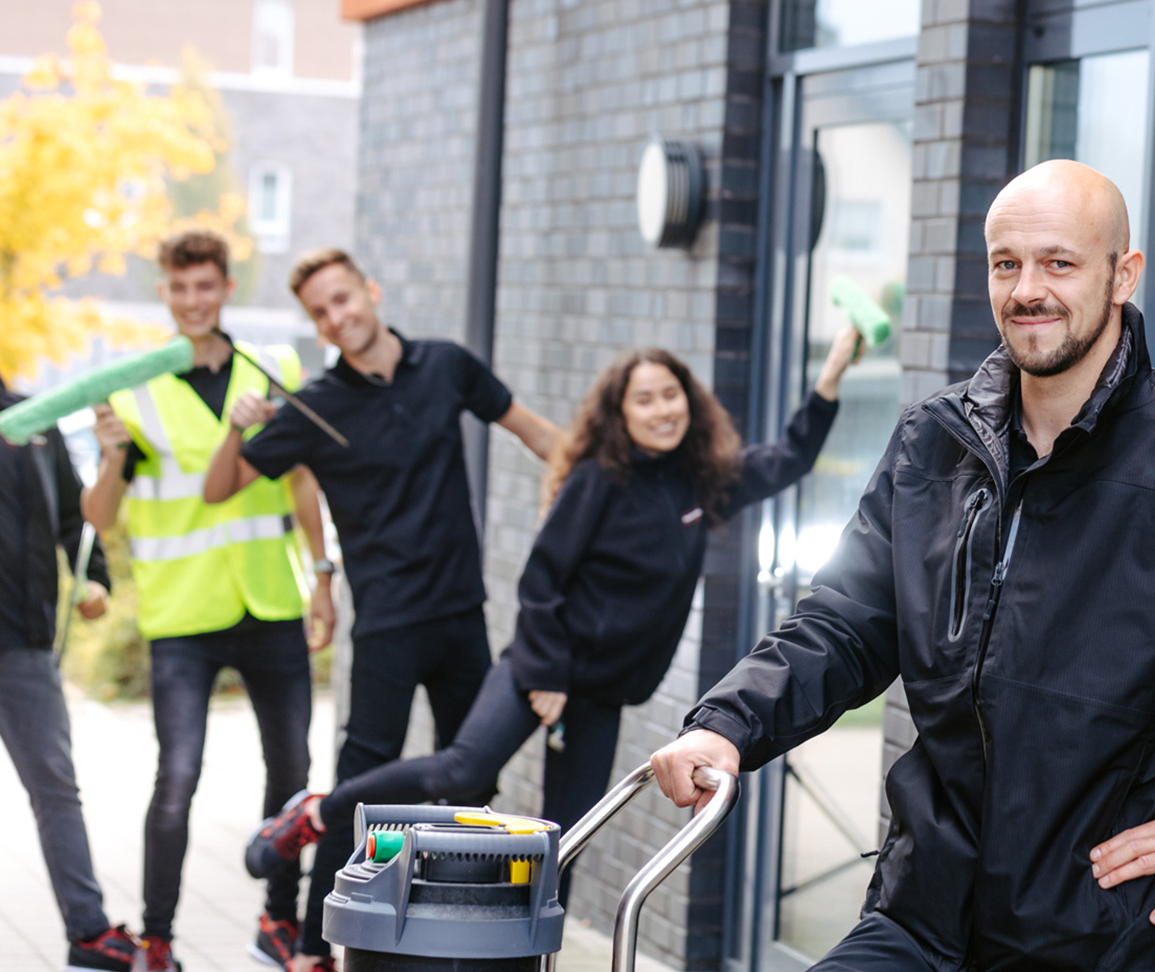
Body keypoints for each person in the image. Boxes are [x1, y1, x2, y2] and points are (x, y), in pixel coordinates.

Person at [650, 160, 1155, 971]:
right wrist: (729, 724)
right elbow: (846, 622)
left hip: (1104, 939)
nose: (1027, 290)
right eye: (1006, 263)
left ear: (1123, 275)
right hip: (924, 918)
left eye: (1059, 262)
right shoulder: (933, 442)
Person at [243, 329, 861, 904]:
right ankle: (317, 814)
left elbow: (789, 459)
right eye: (644, 400)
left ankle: (521, 948)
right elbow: (541, 581)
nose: (662, 410)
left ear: (689, 403)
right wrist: (547, 676)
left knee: (564, 841)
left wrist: (831, 374)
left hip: (601, 691)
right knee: (464, 771)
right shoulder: (598, 480)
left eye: (670, 395)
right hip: (539, 666)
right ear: (621, 414)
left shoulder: (703, 482)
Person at [202, 246, 562, 972]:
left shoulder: (448, 365)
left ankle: (459, 929)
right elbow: (219, 488)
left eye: (344, 297)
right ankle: (310, 950)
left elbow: (542, 437)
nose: (338, 316)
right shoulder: (315, 407)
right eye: (321, 311)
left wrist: (585, 497)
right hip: (390, 624)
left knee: (475, 785)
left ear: (370, 288)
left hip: (463, 613)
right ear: (318, 324)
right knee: (361, 790)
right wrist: (236, 425)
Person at [82, 231, 331, 972]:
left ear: (225, 286)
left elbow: (302, 481)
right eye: (179, 288)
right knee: (178, 778)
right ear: (164, 292)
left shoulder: (276, 368)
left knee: (291, 773)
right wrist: (108, 453)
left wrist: (323, 575)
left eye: (206, 286)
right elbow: (99, 517)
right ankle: (158, 940)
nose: (193, 301)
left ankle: (278, 923)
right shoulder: (132, 388)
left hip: (270, 600)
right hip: (181, 616)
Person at [0, 375, 141, 972]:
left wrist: (95, 578)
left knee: (56, 789)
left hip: (22, 645)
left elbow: (73, 519)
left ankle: (88, 934)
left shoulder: (34, 418)